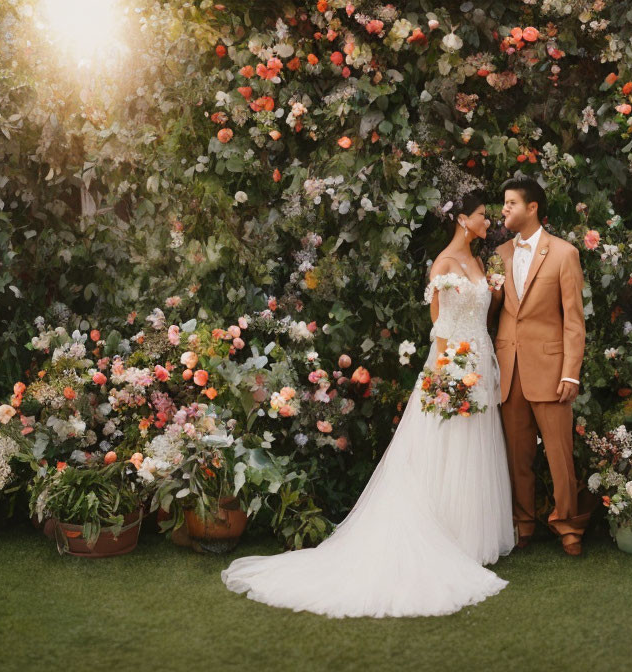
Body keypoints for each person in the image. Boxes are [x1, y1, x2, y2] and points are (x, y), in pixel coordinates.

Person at [220, 190, 515, 618]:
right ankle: (447, 537)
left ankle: (469, 533)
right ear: (463, 220)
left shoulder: (478, 261)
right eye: (484, 216)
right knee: (448, 445)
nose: (489, 222)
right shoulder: (445, 264)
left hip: (481, 362)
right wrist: (451, 377)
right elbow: (441, 325)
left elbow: (487, 308)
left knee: (473, 447)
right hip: (455, 366)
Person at [491, 176, 589, 557]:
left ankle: (568, 525)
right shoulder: (498, 255)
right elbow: (494, 312)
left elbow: (573, 320)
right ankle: (523, 523)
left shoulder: (564, 253)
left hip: (551, 370)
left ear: (532, 208)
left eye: (511, 203)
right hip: (509, 368)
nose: (504, 210)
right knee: (517, 455)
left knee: (559, 454)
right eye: (503, 204)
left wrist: (570, 371)